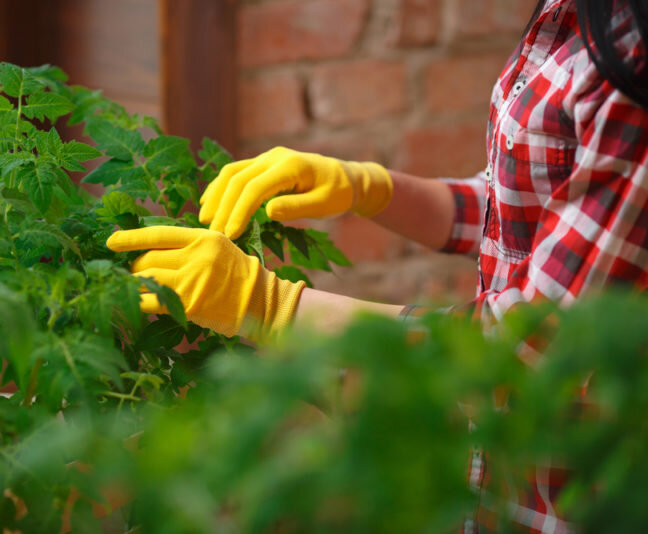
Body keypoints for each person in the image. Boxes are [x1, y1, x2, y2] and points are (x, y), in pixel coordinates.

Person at [107, 0, 647, 531]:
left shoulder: (634, 55)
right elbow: (522, 211)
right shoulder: (569, 10)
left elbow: (533, 348)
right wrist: (370, 189)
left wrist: (269, 306)